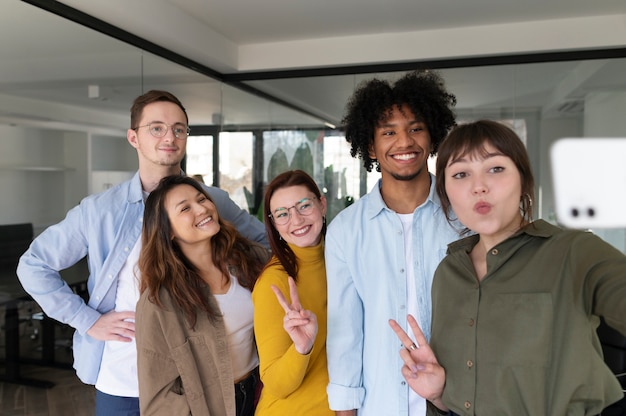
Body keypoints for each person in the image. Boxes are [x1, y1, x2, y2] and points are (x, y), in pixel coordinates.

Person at [17, 90, 268, 416]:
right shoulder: (100, 210)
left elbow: (264, 245)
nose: (170, 137)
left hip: (200, 379)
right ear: (133, 137)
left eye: (179, 129)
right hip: (125, 379)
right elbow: (33, 265)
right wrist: (88, 321)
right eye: (157, 128)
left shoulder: (212, 200)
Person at [389, 119, 626, 415]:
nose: (479, 187)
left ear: (523, 179)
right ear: (446, 192)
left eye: (496, 168)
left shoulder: (575, 253)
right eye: (461, 174)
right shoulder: (448, 272)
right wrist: (438, 394)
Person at [325, 69, 462, 416]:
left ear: (432, 137)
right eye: (389, 132)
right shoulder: (346, 230)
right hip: (380, 403)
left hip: (459, 400)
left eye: (415, 128)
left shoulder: (464, 219)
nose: (404, 142)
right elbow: (345, 331)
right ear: (371, 145)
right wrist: (345, 409)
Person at [136, 175, 268, 416]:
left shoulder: (250, 258)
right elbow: (157, 397)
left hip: (262, 394)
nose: (202, 208)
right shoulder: (159, 301)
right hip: (211, 407)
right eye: (185, 208)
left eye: (202, 199)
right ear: (169, 231)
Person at [252, 170, 333, 415]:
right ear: (274, 224)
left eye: (304, 206)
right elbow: (276, 383)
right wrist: (301, 348)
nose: (296, 220)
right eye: (283, 214)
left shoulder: (340, 260)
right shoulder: (273, 282)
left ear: (322, 205)